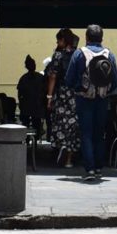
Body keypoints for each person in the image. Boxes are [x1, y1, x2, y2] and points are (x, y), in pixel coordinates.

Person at [65, 24, 117, 181]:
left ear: (86, 37)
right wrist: (104, 91)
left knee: (86, 134)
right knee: (99, 134)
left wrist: (78, 88)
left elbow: (69, 80)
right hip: (102, 100)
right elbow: (116, 82)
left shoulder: (79, 54)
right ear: (101, 38)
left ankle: (89, 169)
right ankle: (98, 168)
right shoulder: (109, 55)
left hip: (84, 99)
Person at [46, 29, 80, 168]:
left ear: (63, 40)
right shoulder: (78, 55)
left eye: (59, 40)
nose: (57, 43)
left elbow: (53, 76)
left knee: (60, 124)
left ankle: (60, 149)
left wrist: (49, 96)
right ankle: (69, 159)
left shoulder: (58, 55)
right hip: (76, 95)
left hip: (61, 94)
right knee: (73, 127)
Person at [17, 55, 46, 133]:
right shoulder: (40, 78)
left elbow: (19, 94)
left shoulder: (24, 78)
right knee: (35, 123)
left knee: (27, 124)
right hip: (36, 107)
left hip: (31, 107)